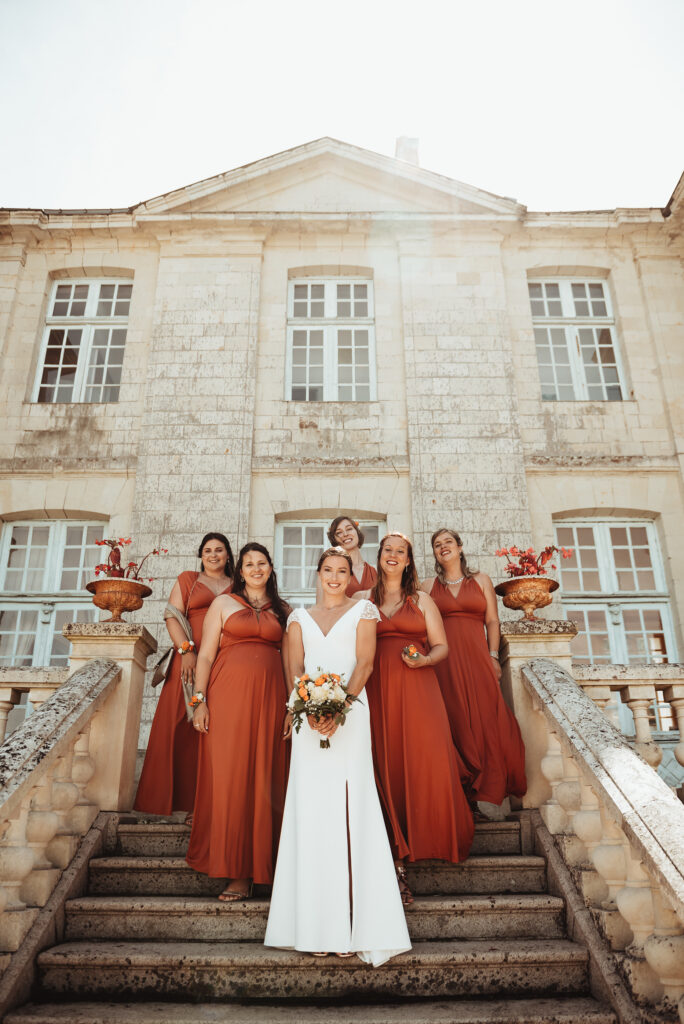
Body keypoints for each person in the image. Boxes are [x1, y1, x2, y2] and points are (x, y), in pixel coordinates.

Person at [265, 548, 410, 965]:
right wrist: (308, 710)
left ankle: (354, 925)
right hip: (308, 724)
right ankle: (312, 927)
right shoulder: (297, 619)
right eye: (327, 570)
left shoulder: (364, 610)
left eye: (342, 571)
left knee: (352, 812)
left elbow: (365, 664)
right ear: (317, 574)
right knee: (311, 816)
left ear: (351, 575)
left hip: (351, 715)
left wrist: (338, 706)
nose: (334, 577)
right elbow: (294, 670)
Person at [358, 532, 474, 906]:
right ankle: (393, 855)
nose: (393, 556)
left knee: (425, 761)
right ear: (379, 558)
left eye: (400, 552)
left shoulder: (422, 599)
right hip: (374, 690)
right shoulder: (362, 600)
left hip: (419, 690)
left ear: (408, 561)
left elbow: (441, 646)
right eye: (387, 550)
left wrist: (424, 660)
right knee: (382, 765)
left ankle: (426, 839)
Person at [186, 543, 290, 900]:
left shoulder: (284, 610)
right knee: (231, 779)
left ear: (270, 568)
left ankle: (269, 868)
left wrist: (293, 706)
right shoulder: (223, 604)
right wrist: (199, 702)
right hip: (227, 698)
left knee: (268, 778)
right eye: (249, 564)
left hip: (273, 700)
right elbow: (206, 656)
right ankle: (237, 873)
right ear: (240, 570)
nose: (256, 568)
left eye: (262, 563)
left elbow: (293, 662)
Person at [422, 529, 526, 809]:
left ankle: (487, 790)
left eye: (448, 542)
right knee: (453, 720)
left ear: (460, 547)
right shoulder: (427, 585)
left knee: (486, 719)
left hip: (478, 658)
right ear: (434, 552)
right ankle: (461, 793)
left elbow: (492, 621)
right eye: (437, 544)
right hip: (444, 663)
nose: (443, 547)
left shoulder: (481, 580)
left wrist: (493, 656)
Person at [134, 532, 234, 820]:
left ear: (228, 554)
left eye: (219, 550)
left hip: (224, 660)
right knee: (180, 723)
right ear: (200, 555)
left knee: (214, 725)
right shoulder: (188, 579)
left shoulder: (236, 583)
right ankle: (170, 801)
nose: (213, 555)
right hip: (189, 660)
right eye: (207, 550)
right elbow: (172, 615)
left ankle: (207, 802)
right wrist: (186, 650)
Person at [326, 515, 377, 596]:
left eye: (349, 529)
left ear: (357, 532)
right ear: (334, 540)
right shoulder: (333, 572)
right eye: (339, 533)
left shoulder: (373, 572)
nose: (345, 534)